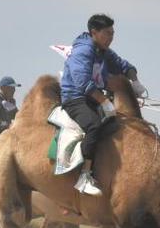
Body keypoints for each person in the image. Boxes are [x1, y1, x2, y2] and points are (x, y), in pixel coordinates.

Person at [60, 14, 146, 195]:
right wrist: (105, 102)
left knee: (118, 125)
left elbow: (123, 66)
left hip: (93, 98)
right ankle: (83, 176)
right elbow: (83, 83)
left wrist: (134, 81)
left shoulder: (104, 52)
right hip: (75, 99)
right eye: (107, 33)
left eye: (113, 33)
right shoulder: (83, 51)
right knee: (94, 125)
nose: (111, 38)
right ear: (94, 33)